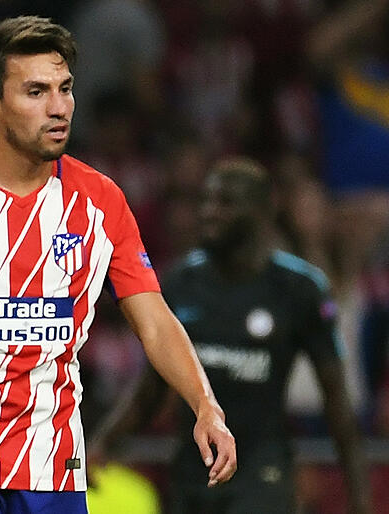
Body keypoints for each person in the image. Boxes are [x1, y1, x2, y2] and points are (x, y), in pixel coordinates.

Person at [0, 16, 236, 514]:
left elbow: (155, 320)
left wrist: (205, 405)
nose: (58, 107)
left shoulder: (100, 201)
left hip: (54, 465)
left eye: (64, 89)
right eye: (36, 92)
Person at [88, 158, 372, 514]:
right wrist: (102, 444)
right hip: (191, 475)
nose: (209, 212)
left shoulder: (299, 290)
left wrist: (359, 497)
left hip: (262, 476)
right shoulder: (180, 282)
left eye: (225, 202)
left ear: (262, 211)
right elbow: (152, 389)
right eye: (206, 201)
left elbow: (336, 400)